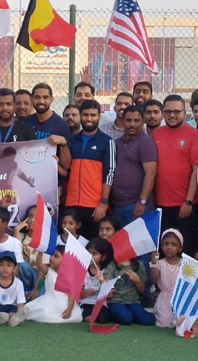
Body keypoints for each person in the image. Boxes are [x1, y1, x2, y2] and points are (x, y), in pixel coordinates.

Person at [153, 94, 198, 255]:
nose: (172, 115)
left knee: (185, 250)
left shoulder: (194, 135)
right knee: (164, 250)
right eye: (168, 112)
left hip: (184, 205)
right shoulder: (156, 134)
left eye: (176, 111)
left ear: (184, 112)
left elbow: (196, 169)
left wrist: (188, 201)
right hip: (160, 204)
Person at [64, 99, 114, 238]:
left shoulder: (107, 141)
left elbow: (109, 173)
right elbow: (67, 169)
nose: (89, 118)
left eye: (93, 115)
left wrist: (103, 203)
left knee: (93, 246)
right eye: (85, 115)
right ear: (80, 116)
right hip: (72, 203)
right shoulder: (72, 141)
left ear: (99, 116)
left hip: (94, 205)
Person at [106, 106, 157, 228]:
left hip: (136, 205)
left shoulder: (146, 142)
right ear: (123, 121)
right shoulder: (116, 143)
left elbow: (151, 173)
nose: (132, 124)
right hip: (117, 205)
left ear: (143, 121)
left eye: (136, 120)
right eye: (128, 120)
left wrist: (142, 201)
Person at [102, 239, 154, 326]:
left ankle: (132, 313)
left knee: (148, 320)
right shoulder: (112, 265)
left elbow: (142, 290)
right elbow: (107, 284)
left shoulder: (138, 265)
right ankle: (113, 314)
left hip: (133, 301)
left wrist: (137, 280)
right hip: (116, 301)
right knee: (127, 319)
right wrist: (108, 288)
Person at [26, 246, 82, 324]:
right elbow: (39, 263)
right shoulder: (49, 271)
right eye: (51, 255)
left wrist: (69, 309)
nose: (51, 258)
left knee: (48, 314)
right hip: (48, 299)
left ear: (65, 260)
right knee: (35, 308)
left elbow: (71, 295)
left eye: (56, 256)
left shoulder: (69, 276)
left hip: (63, 303)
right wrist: (41, 251)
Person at [0, 252, 29, 327]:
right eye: (1, 265)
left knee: (13, 312)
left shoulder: (18, 283)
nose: (5, 268)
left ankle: (14, 319)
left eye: (9, 265)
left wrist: (20, 311)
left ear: (15, 268)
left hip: (10, 307)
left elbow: (20, 303)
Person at [151, 229, 184, 328]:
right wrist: (153, 264)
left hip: (180, 298)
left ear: (180, 248)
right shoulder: (160, 263)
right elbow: (154, 280)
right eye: (166, 244)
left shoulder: (184, 263)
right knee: (165, 322)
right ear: (161, 246)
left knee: (182, 321)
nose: (169, 247)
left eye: (173, 244)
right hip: (165, 298)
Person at [80, 239, 109, 323]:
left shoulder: (106, 271)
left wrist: (102, 281)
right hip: (86, 302)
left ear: (103, 257)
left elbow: (110, 295)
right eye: (88, 253)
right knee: (87, 316)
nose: (90, 256)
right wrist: (85, 292)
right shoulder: (82, 270)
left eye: (94, 254)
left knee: (103, 316)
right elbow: (78, 293)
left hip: (101, 304)